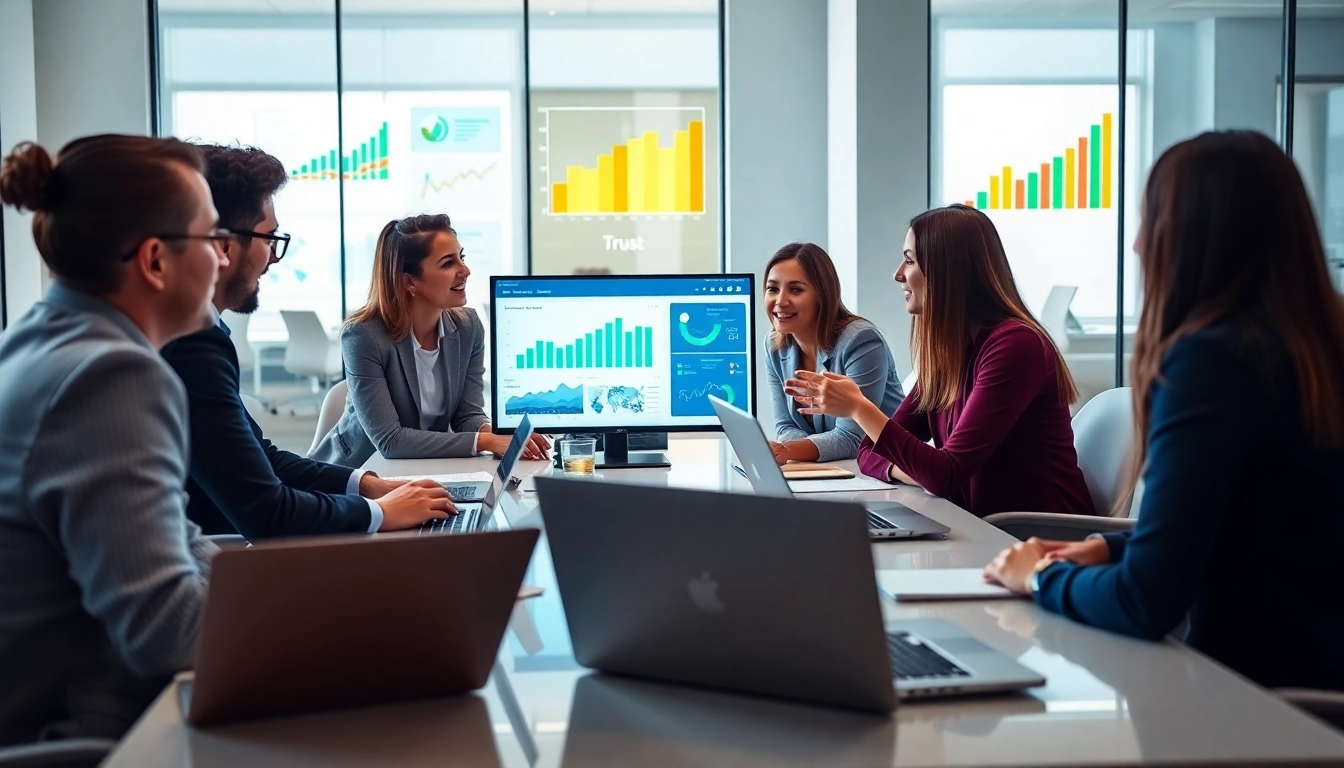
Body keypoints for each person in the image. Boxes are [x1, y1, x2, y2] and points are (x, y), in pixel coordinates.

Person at [984, 130, 1344, 692]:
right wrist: (1113, 544)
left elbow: (1145, 600)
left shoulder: (1211, 363)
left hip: (1253, 709)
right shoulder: (1317, 347)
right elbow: (1273, 524)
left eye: (1150, 220)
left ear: (1190, 238)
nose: (1137, 245)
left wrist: (1040, 578)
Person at [0, 135, 225, 743]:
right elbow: (165, 630)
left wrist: (291, 589)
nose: (224, 261)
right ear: (155, 260)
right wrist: (335, 626)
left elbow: (176, 539)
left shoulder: (41, 339)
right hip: (86, 738)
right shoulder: (112, 376)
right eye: (212, 239)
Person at [160, 144, 452, 540]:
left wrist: (366, 486)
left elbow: (265, 458)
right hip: (217, 563)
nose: (275, 258)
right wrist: (377, 513)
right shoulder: (190, 346)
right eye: (270, 239)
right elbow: (267, 514)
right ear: (225, 247)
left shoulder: (192, 335)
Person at [788, 205, 1092, 518]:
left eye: (909, 260)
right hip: (983, 526)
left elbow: (945, 475)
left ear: (946, 271)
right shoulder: (951, 352)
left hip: (1038, 538)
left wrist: (859, 408)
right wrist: (918, 473)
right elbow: (868, 453)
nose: (898, 274)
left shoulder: (1015, 345)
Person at [311, 213, 549, 466]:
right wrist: (485, 442)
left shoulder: (468, 327)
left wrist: (502, 436)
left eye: (462, 257)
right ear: (409, 281)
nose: (465, 270)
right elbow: (390, 441)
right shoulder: (363, 336)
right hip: (355, 476)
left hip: (421, 468)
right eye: (448, 264)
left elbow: (467, 416)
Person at [763, 242, 904, 464]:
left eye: (796, 289)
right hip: (836, 469)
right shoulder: (774, 346)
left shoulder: (861, 340)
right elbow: (784, 425)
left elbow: (853, 438)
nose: (780, 301)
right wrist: (798, 448)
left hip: (887, 470)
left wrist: (789, 451)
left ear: (822, 295)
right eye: (772, 289)